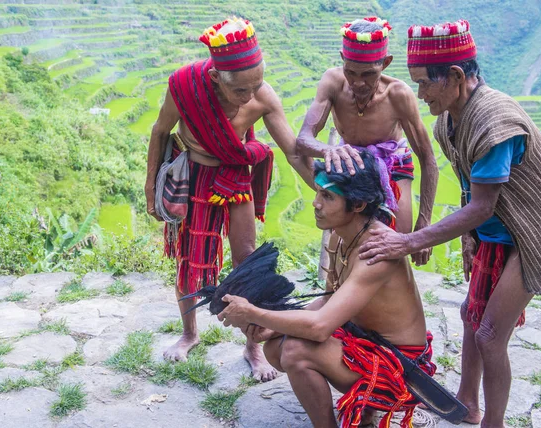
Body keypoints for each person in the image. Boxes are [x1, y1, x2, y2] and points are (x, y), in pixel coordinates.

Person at [358, 20, 541, 427]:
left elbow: (482, 206)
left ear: (455, 77)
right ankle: (467, 400)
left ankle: (492, 422)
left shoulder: (494, 124)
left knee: (489, 336)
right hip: (502, 230)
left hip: (536, 234)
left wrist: (406, 242)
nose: (420, 94)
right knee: (471, 315)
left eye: (425, 84)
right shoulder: (449, 120)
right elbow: (471, 187)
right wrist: (470, 239)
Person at [144, 17, 312, 381]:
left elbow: (294, 152)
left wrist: (324, 190)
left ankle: (252, 349)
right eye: (241, 90)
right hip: (196, 179)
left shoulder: (263, 97)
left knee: (247, 263)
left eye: (257, 85)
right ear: (216, 77)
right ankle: (189, 334)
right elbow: (160, 131)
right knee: (190, 264)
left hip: (236, 180)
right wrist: (149, 192)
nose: (251, 96)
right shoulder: (185, 86)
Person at [217, 152, 436, 428]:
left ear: (358, 204)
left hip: (399, 367)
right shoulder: (340, 236)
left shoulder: (375, 252)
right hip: (367, 342)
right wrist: (273, 328)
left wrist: (253, 312)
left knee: (296, 350)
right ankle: (362, 409)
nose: (315, 204)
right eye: (318, 192)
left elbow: (320, 327)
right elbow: (331, 298)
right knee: (275, 346)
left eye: (328, 197)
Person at [296, 16, 438, 265]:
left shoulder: (398, 95)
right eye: (350, 72)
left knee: (397, 241)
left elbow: (428, 159)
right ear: (342, 59)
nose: (358, 82)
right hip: (350, 164)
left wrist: (423, 225)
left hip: (392, 164)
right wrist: (330, 151)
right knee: (342, 243)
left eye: (368, 74)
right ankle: (339, 293)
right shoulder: (332, 82)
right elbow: (304, 139)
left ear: (385, 63)